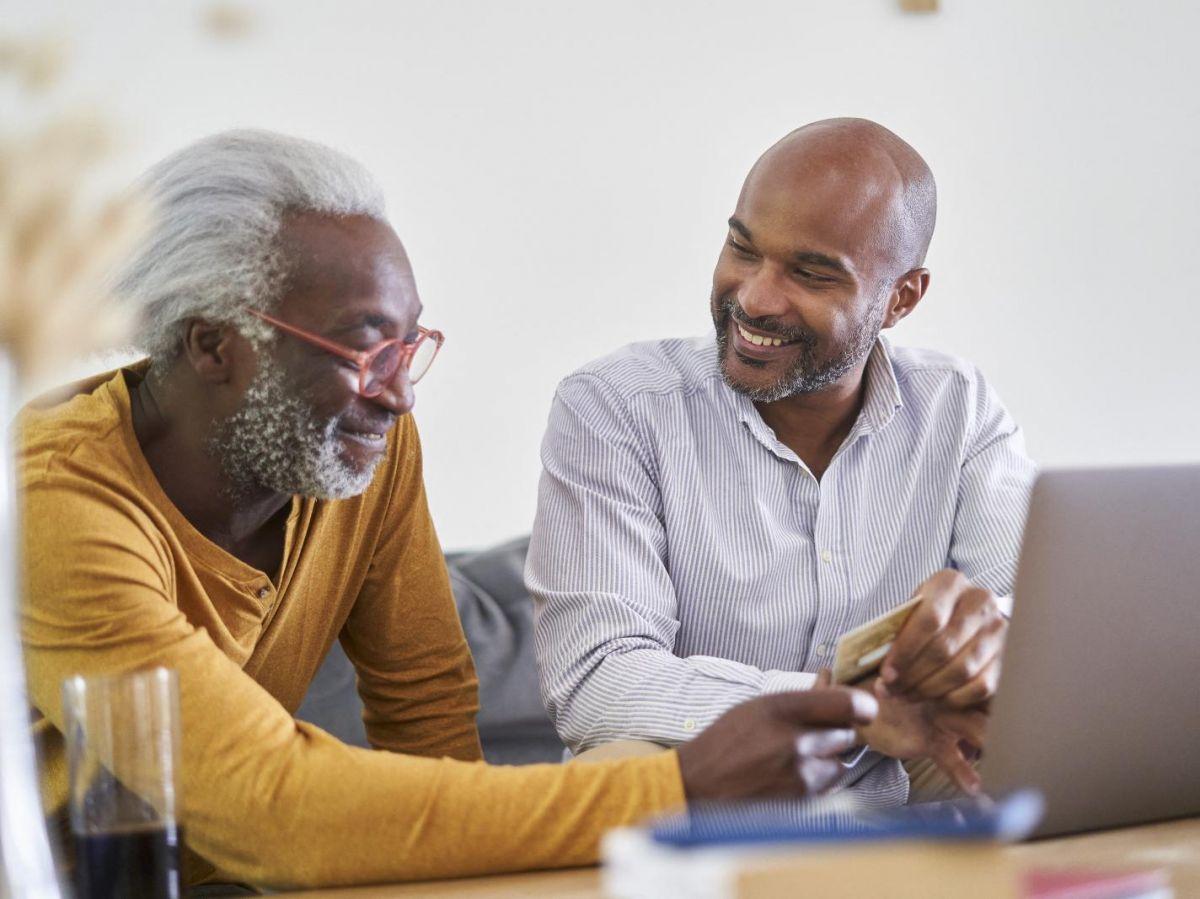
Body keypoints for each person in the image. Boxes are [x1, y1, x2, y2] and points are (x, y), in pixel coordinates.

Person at [18, 130, 878, 891]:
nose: (399, 396)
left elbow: (424, 710)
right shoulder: (53, 505)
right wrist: (681, 785)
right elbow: (274, 808)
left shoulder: (358, 453)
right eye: (364, 346)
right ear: (214, 344)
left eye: (410, 344)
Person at [528, 118, 1036, 804]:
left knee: (1028, 749)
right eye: (743, 248)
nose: (757, 298)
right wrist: (843, 706)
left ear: (900, 299)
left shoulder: (960, 407)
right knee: (614, 766)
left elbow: (1030, 622)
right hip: (703, 783)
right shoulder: (617, 406)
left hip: (899, 775)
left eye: (812, 272)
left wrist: (983, 640)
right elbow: (597, 679)